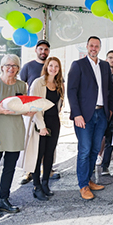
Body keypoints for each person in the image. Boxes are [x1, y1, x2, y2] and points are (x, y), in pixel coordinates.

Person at [0, 54, 33, 214]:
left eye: (15, 66)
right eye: (8, 65)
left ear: (18, 69)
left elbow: (23, 107)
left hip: (15, 131)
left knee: (9, 168)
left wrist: (29, 111)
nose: (11, 68)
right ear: (2, 67)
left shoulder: (21, 86)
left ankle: (4, 199)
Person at [67, 36, 113, 200]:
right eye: (92, 45)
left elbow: (110, 89)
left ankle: (88, 179)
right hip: (84, 116)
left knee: (95, 150)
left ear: (100, 48)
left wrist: (109, 111)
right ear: (87, 47)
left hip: (101, 114)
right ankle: (83, 185)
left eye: (97, 46)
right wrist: (77, 114)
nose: (94, 48)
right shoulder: (78, 65)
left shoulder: (104, 65)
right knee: (85, 150)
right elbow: (71, 91)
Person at [18, 39, 58, 185]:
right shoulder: (28, 67)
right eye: (40, 49)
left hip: (52, 117)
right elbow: (22, 88)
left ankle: (47, 172)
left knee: (48, 150)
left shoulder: (57, 78)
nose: (43, 52)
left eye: (46, 49)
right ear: (36, 50)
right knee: (34, 148)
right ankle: (28, 173)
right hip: (34, 114)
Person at [28, 57, 64, 201]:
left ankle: (45, 184)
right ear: (46, 67)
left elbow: (59, 103)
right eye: (51, 66)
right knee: (39, 154)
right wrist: (41, 126)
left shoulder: (59, 84)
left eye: (56, 66)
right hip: (41, 123)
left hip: (54, 121)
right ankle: (36, 186)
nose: (53, 69)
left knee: (49, 154)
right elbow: (34, 105)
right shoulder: (38, 83)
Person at [99, 50, 113, 176]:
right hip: (101, 111)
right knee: (97, 139)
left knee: (110, 141)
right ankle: (94, 161)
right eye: (110, 58)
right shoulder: (101, 74)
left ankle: (105, 166)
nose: (112, 60)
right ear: (106, 59)